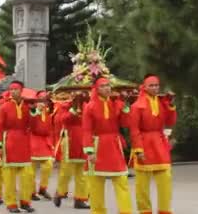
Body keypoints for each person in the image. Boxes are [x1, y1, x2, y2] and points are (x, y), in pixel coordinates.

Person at [83, 78, 133, 214]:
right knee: (96, 185)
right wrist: (89, 151)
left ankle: (126, 211)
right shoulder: (90, 106)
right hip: (97, 145)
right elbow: (86, 130)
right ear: (96, 89)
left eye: (108, 85)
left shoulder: (116, 104)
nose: (107, 88)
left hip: (114, 145)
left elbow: (126, 124)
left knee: (121, 181)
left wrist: (125, 105)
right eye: (103, 86)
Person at [130, 74, 177, 214]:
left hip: (160, 142)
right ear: (144, 87)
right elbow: (134, 129)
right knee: (142, 185)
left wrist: (171, 105)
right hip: (143, 143)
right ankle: (144, 210)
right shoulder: (136, 106)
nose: (155, 88)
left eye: (157, 85)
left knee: (165, 181)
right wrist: (138, 149)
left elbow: (170, 122)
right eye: (151, 85)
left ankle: (165, 210)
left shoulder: (163, 102)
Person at [0, 81, 35, 213]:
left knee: (27, 175)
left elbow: (33, 125)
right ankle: (11, 203)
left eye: (16, 89)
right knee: (9, 176)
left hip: (24, 142)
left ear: (21, 90)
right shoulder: (4, 107)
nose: (13, 92)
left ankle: (25, 201)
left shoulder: (27, 107)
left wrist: (34, 110)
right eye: (11, 89)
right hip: (9, 141)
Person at [53, 93, 89, 209]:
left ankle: (80, 199)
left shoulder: (87, 105)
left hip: (84, 140)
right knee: (66, 171)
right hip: (70, 140)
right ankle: (60, 192)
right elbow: (62, 120)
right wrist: (73, 108)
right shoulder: (65, 106)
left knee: (82, 173)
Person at [28, 91, 54, 202]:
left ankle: (43, 188)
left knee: (48, 165)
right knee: (31, 169)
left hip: (45, 141)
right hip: (33, 140)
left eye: (45, 100)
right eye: (41, 99)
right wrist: (37, 110)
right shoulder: (32, 111)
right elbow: (31, 125)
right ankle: (31, 191)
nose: (44, 102)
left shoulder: (48, 112)